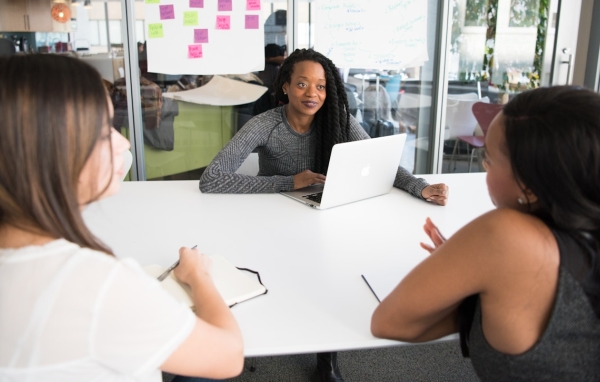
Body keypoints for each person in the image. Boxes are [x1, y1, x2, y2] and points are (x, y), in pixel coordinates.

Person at [200, 48, 449, 382]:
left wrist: (419, 187)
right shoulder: (265, 125)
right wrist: (289, 182)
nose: (312, 93)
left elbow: (380, 163)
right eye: (302, 84)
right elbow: (212, 178)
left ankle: (327, 358)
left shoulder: (337, 121)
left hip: (320, 215)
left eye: (320, 86)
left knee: (333, 271)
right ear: (285, 86)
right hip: (268, 218)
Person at [0, 54, 244, 382]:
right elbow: (228, 357)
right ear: (50, 151)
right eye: (104, 132)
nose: (124, 141)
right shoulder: (95, 287)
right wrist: (199, 276)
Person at [371, 86, 600, 381]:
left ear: (529, 185)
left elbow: (389, 322)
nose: (484, 167)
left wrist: (470, 275)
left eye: (489, 159)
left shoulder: (504, 236)